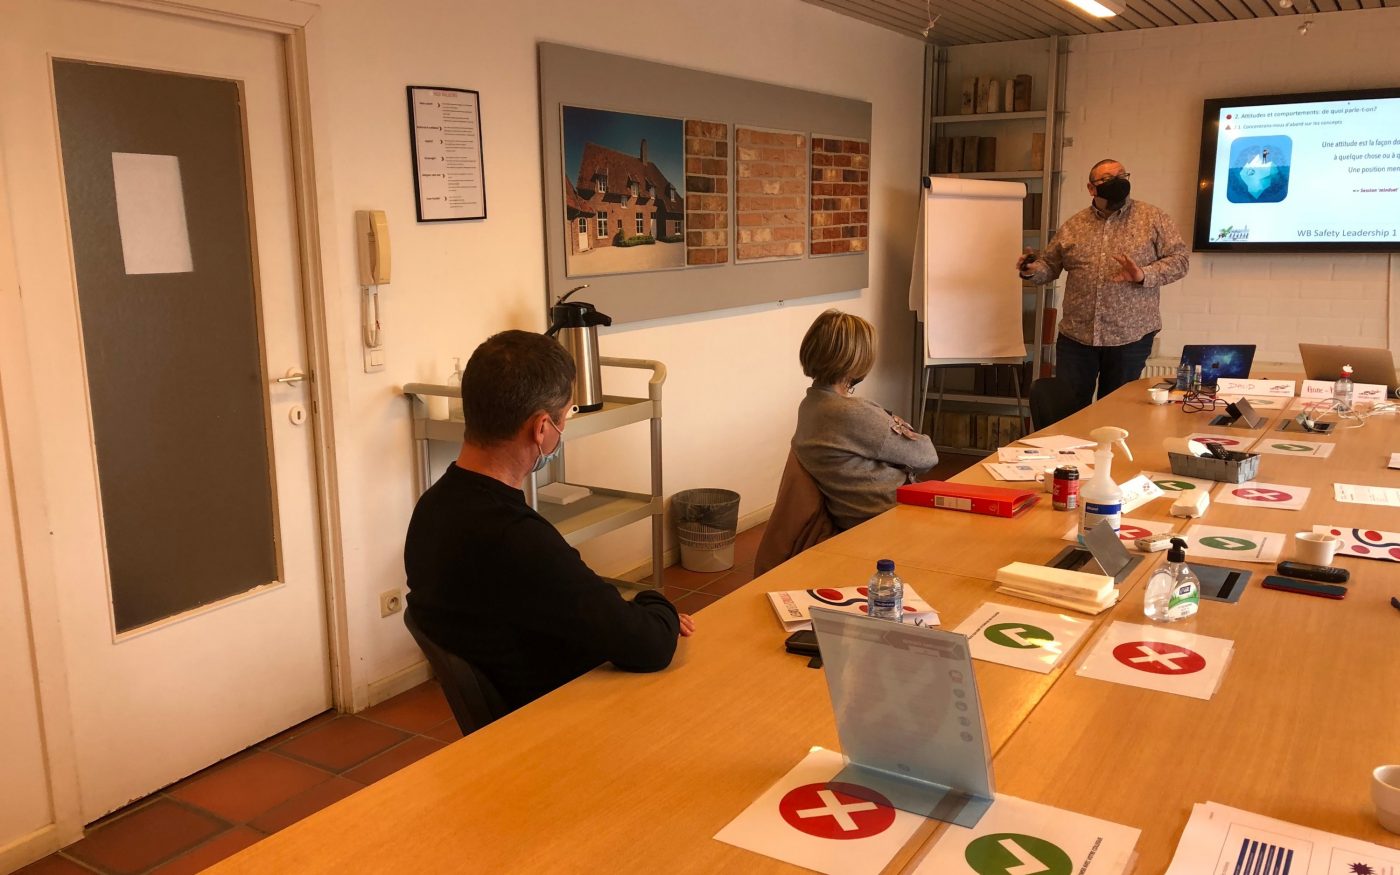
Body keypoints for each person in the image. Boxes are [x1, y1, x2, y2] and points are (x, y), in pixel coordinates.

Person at [404, 330, 694, 713]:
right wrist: (653, 601)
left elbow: (565, 594)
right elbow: (650, 645)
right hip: (560, 715)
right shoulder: (519, 540)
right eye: (566, 416)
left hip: (515, 707)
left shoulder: (431, 509)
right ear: (541, 429)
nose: (564, 428)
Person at [1017, 159, 1190, 411]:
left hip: (1129, 337)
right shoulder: (1074, 226)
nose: (1118, 182)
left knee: (1117, 412)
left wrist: (1143, 274)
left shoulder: (1153, 218)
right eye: (1108, 179)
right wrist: (1032, 270)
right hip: (1077, 338)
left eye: (1122, 176)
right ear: (1091, 188)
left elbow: (1180, 261)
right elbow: (1050, 266)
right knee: (1070, 411)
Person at [792, 310, 938, 530]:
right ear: (857, 359)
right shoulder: (852, 413)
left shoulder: (809, 406)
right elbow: (926, 456)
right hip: (888, 518)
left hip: (851, 518)